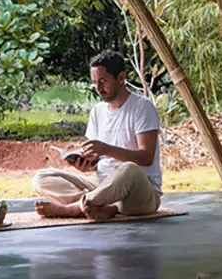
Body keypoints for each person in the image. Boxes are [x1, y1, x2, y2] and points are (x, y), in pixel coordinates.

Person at [32, 50, 163, 219]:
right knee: (42, 177)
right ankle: (101, 204)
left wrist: (107, 150)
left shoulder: (142, 108)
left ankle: (75, 208)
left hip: (139, 193)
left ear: (121, 78)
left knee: (129, 170)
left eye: (103, 81)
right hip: (103, 185)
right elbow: (97, 157)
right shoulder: (97, 111)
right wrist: (85, 163)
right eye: (95, 82)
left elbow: (146, 158)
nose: (98, 88)